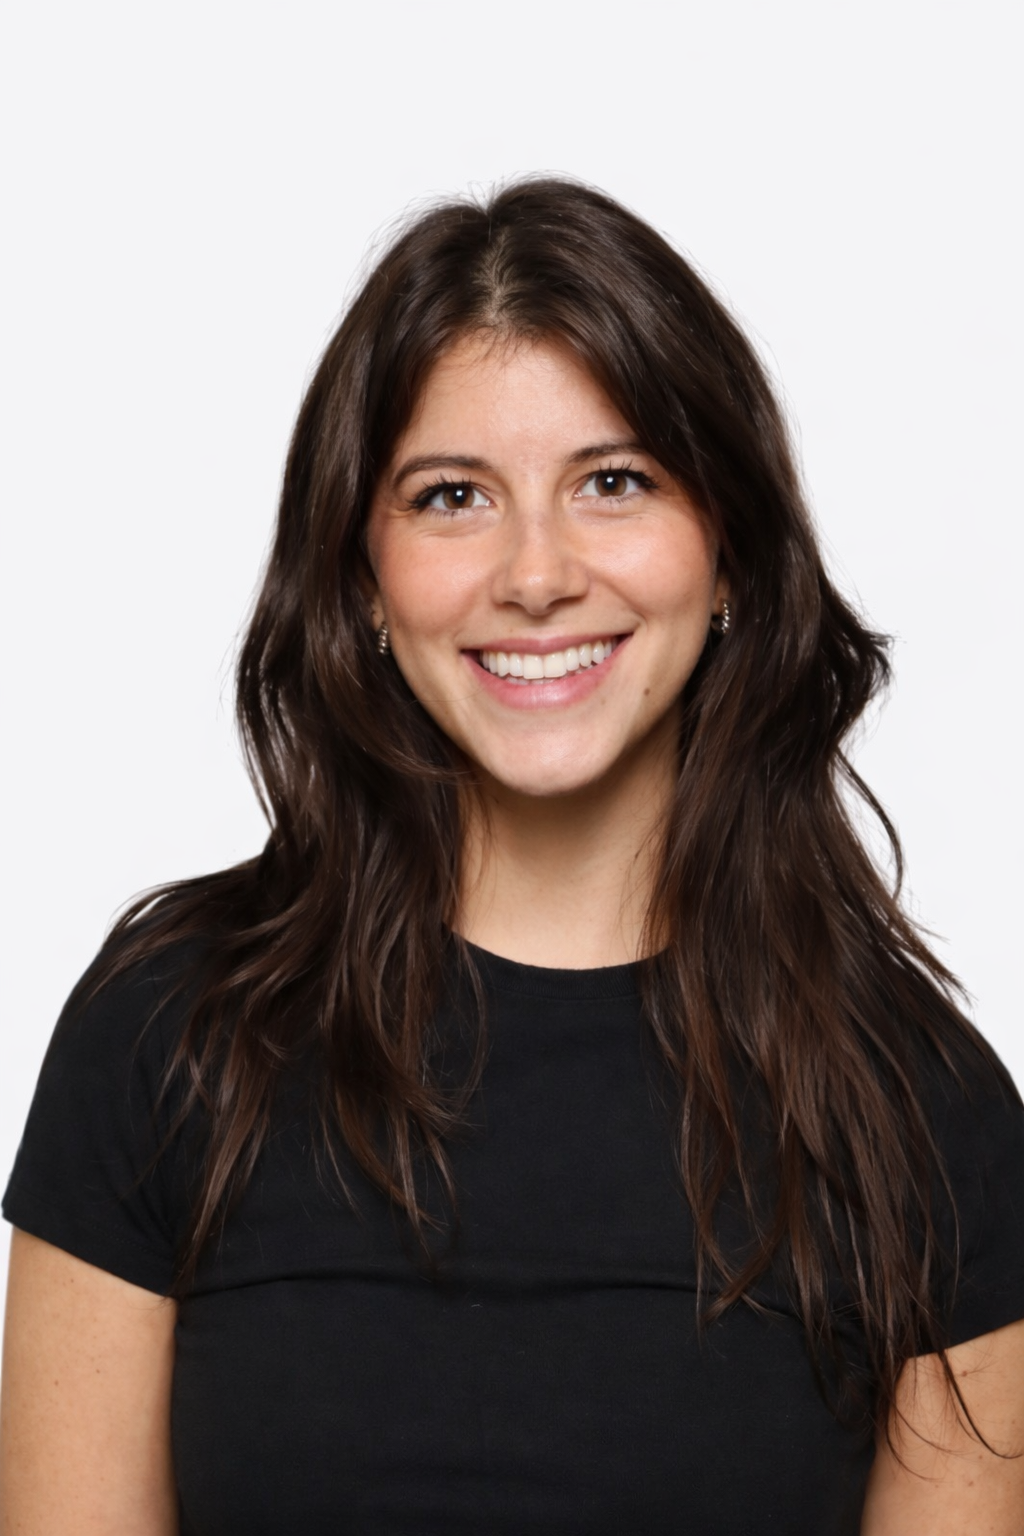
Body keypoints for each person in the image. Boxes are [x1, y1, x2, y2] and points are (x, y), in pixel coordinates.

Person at [1, 177, 1022, 1536]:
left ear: (730, 556)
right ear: (363, 578)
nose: (535, 574)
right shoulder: (172, 1037)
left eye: (614, 481)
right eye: (449, 496)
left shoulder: (923, 1114)